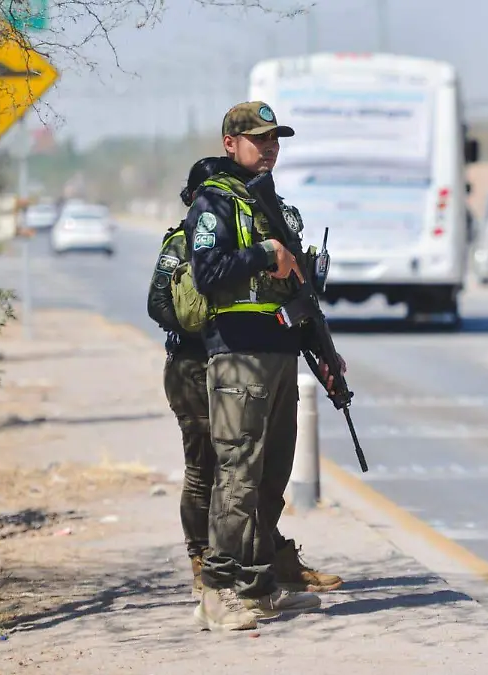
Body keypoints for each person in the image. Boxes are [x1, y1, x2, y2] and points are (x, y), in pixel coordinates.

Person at [146, 156, 345, 603]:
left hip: (240, 359)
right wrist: (212, 323)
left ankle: (265, 564)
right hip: (195, 365)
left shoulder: (256, 229)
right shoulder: (184, 240)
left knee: (249, 473)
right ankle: (206, 565)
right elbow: (159, 304)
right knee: (210, 471)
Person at [183, 101, 348, 631]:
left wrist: (324, 350)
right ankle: (217, 592)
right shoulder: (214, 201)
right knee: (237, 478)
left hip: (279, 353)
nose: (270, 146)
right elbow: (208, 272)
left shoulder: (271, 201)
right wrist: (263, 252)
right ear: (230, 143)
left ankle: (257, 588)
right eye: (259, 138)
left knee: (271, 475)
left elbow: (296, 289)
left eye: (275, 138)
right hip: (238, 356)